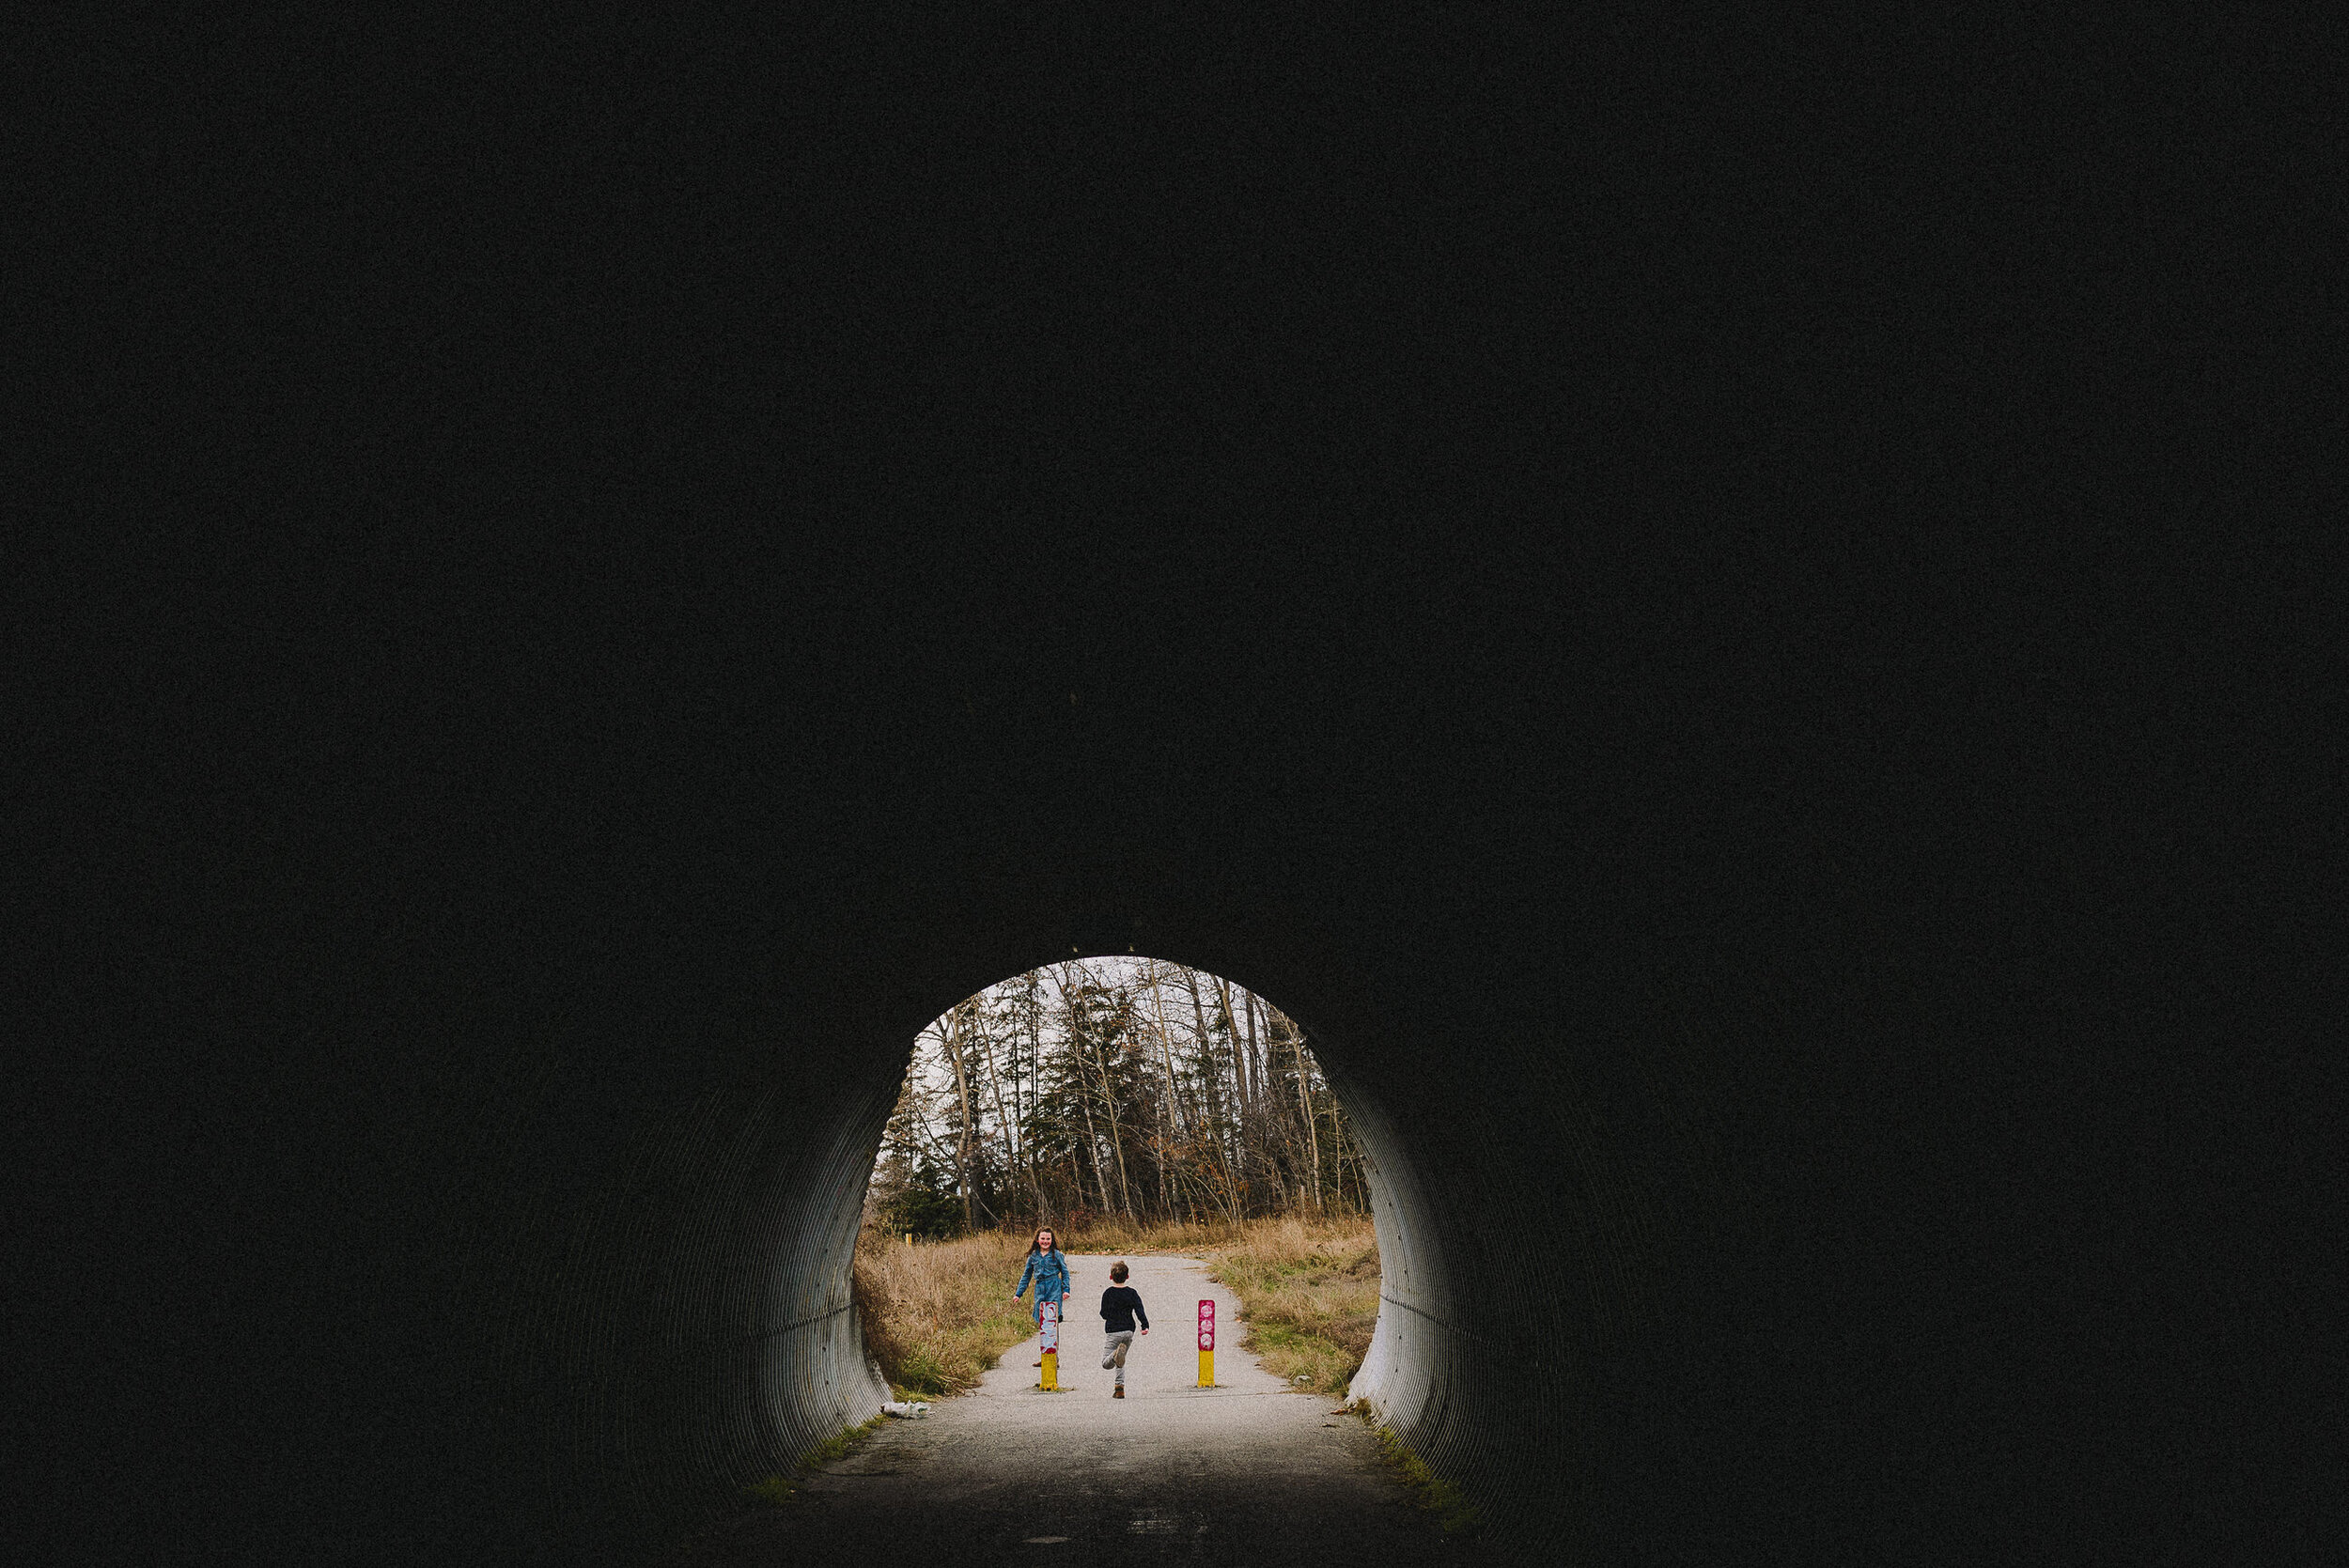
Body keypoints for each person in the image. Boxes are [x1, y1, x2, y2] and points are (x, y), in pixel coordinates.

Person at [1011, 1227, 1071, 1368]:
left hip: (1054, 1288)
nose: (1045, 1241)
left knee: (1052, 1322)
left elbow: (1065, 1273)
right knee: (1042, 1323)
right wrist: (1018, 1294)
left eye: (1048, 1239)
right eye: (1043, 1239)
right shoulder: (1033, 1257)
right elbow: (1026, 1276)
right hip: (1040, 1290)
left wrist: (1066, 1290)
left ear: (1052, 1240)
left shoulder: (1057, 1255)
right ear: (1037, 1240)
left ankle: (1053, 1357)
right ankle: (1045, 1355)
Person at [1097, 1260, 1149, 1397]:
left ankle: (1114, 1355)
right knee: (1122, 1359)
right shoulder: (1132, 1293)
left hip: (1113, 1331)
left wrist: (1111, 1315)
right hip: (1128, 1331)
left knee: (1106, 1363)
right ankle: (1119, 1388)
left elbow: (1103, 1313)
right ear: (1127, 1277)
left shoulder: (1108, 1293)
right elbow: (1139, 1310)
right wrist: (1145, 1325)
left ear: (1110, 1277)